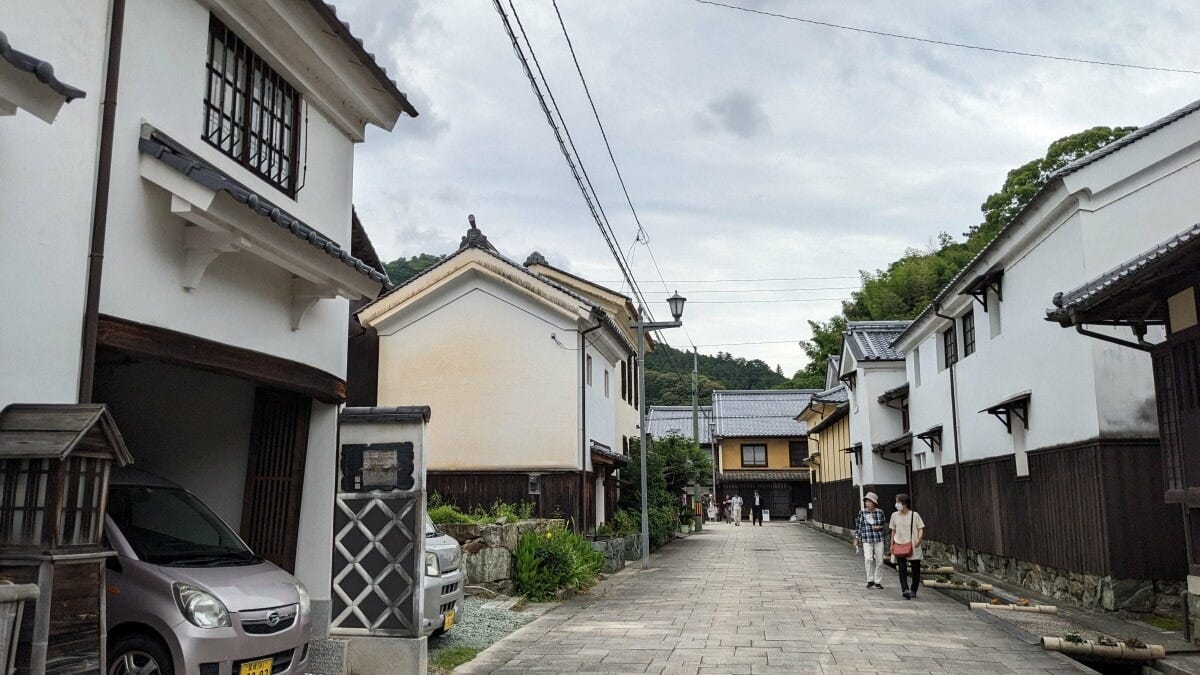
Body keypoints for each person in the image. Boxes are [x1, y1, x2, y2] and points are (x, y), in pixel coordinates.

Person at [888, 493, 926, 599]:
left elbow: (920, 528)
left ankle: (914, 589)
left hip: (913, 544)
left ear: (904, 504)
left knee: (915, 568)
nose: (896, 504)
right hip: (899, 544)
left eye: (897, 502)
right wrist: (891, 544)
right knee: (902, 568)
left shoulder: (915, 515)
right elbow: (893, 531)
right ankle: (905, 589)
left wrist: (919, 540)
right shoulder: (894, 515)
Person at [853, 492, 887, 589]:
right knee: (868, 558)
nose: (867, 504)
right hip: (866, 538)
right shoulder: (862, 512)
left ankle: (878, 581)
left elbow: (884, 525)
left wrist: (879, 527)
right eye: (866, 502)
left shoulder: (880, 512)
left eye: (869, 502)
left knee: (879, 560)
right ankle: (870, 579)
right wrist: (856, 538)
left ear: (874, 503)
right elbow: (859, 526)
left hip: (878, 538)